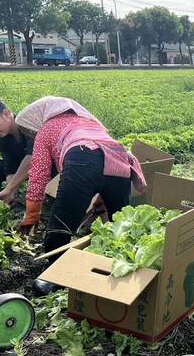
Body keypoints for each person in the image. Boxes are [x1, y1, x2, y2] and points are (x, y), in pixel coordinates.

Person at [14, 97, 146, 290]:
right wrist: (104, 197)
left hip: (82, 158)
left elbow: (39, 174)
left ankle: (55, 277)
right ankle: (127, 273)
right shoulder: (91, 122)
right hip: (120, 160)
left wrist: (32, 214)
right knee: (122, 226)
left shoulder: (46, 129)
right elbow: (106, 164)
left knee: (60, 228)